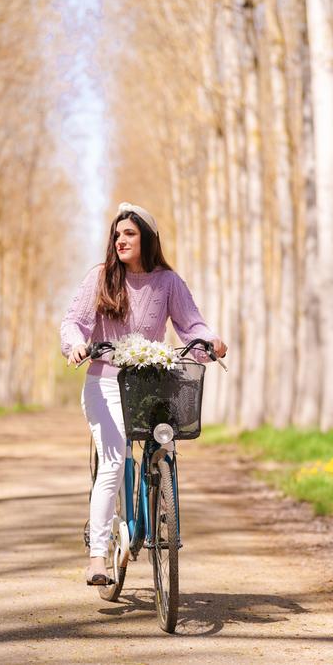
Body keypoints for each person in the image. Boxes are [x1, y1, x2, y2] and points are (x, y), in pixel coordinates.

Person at [60, 201, 227, 586]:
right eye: (117, 234)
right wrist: (77, 345)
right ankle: (98, 557)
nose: (120, 239)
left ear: (147, 238)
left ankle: (158, 498)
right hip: (105, 383)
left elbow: (191, 325)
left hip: (151, 384)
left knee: (164, 447)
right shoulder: (101, 278)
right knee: (114, 462)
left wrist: (210, 341)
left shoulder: (168, 282)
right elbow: (75, 322)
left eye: (129, 233)